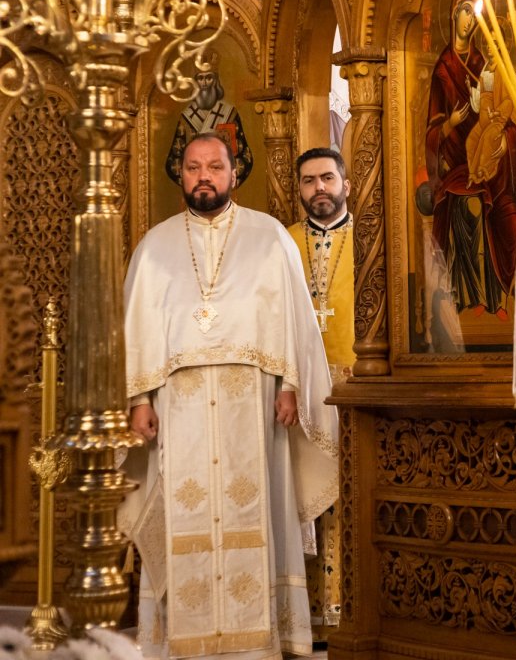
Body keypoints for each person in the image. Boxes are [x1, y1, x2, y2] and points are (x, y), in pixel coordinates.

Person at [120, 133, 338, 660]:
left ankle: (260, 640)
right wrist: (140, 399)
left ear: (233, 173)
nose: (203, 177)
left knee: (256, 504)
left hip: (255, 405)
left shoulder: (269, 238)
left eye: (214, 166)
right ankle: (183, 639)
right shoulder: (154, 247)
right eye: (194, 167)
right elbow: (139, 328)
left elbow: (295, 323)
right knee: (181, 506)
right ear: (182, 175)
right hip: (179, 407)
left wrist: (291, 388)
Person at [287, 147, 356, 635]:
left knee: (349, 492)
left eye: (328, 178)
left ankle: (347, 608)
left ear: (346, 184)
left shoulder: (373, 239)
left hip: (355, 386)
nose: (320, 189)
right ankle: (306, 611)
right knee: (305, 491)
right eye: (309, 181)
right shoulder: (284, 243)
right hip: (299, 388)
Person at [424, 0, 516, 316]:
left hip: (487, 148)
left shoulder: (483, 62)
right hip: (456, 161)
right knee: (467, 206)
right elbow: (433, 129)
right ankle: (468, 298)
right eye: (464, 11)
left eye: (473, 13)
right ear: (454, 16)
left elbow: (496, 96)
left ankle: (494, 298)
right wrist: (451, 122)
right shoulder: (443, 66)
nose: (469, 20)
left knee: (492, 201)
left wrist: (493, 117)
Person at [166, 60, 254, 186]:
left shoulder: (229, 114)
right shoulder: (186, 118)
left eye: (209, 78)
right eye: (200, 78)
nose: (205, 83)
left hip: (223, 191)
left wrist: (225, 182)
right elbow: (174, 161)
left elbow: (244, 157)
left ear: (215, 81)